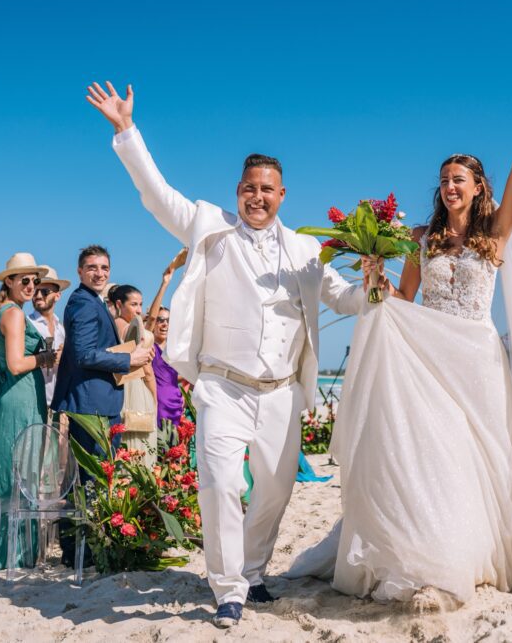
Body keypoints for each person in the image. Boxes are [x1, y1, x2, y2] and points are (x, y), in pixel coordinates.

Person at [289, 61, 512, 608]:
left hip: (475, 358)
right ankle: (426, 555)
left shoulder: (494, 236)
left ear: (478, 188)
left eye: (460, 179)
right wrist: (375, 281)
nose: (450, 186)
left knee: (478, 462)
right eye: (445, 179)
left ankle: (469, 556)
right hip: (426, 358)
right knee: (430, 456)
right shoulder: (420, 239)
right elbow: (403, 301)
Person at [89, 79, 364, 627]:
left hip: (283, 391)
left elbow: (348, 298)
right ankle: (228, 588)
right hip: (221, 385)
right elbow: (157, 194)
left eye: (268, 189)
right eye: (250, 188)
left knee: (277, 490)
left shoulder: (308, 250)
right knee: (218, 481)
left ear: (283, 195)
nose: (257, 197)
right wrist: (127, 131)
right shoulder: (210, 228)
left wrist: (380, 279)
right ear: (238, 190)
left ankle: (255, 571)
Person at [52, 245, 153, 567]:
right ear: (80, 272)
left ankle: (84, 551)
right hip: (90, 404)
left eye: (104, 268)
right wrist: (129, 359)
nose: (99, 273)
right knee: (91, 479)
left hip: (98, 401)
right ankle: (81, 552)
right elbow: (82, 354)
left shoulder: (94, 302)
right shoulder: (82, 303)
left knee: (93, 479)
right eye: (92, 267)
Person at [0, 253, 57, 569]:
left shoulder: (6, 312)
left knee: (8, 471)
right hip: (19, 398)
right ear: (8, 281)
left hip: (12, 395)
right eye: (23, 279)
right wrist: (45, 359)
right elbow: (13, 364)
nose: (30, 285)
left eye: (34, 280)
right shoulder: (13, 315)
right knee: (18, 473)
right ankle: (13, 553)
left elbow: (0, 364)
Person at [108, 283, 159, 464]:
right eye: (134, 304)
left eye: (140, 304)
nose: (138, 310)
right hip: (137, 390)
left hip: (118, 390)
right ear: (119, 304)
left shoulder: (111, 326)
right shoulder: (132, 328)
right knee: (140, 447)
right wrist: (154, 398)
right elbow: (147, 370)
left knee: (123, 448)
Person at [144, 249, 188, 429]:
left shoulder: (175, 349)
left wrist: (185, 397)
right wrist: (165, 284)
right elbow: (151, 318)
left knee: (176, 453)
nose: (164, 324)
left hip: (176, 405)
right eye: (160, 320)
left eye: (168, 321)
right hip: (157, 404)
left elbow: (185, 377)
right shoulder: (148, 344)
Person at [28, 266, 70, 410]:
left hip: (58, 403)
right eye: (35, 290)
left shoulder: (62, 329)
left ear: (57, 296)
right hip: (33, 402)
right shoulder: (26, 324)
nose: (38, 295)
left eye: (44, 291)